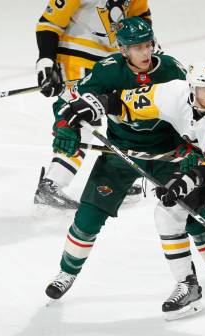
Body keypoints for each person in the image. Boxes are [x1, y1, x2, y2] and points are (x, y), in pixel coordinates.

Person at [57, 60, 205, 320]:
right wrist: (83, 110)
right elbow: (122, 103)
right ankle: (187, 284)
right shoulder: (171, 94)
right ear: (192, 89)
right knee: (168, 213)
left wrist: (182, 183)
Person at [45, 19, 205, 321]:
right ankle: (66, 273)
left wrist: (194, 149)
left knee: (196, 217)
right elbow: (70, 102)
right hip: (120, 154)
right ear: (123, 50)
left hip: (169, 155)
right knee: (88, 217)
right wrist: (63, 125)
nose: (145, 52)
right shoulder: (108, 71)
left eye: (148, 44)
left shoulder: (171, 70)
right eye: (137, 47)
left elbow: (199, 114)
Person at [34, 0, 153, 208]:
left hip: (114, 61)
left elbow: (139, 17)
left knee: (124, 117)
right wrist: (45, 61)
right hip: (76, 58)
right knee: (81, 120)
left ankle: (113, 182)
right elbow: (49, 24)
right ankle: (51, 184)